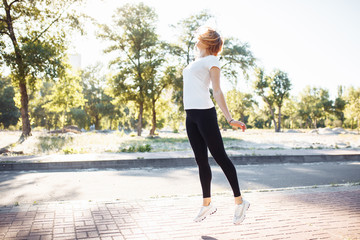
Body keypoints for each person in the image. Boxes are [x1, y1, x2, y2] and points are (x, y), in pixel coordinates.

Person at [183, 26, 250, 225]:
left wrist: (229, 119)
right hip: (191, 115)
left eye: (200, 37)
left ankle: (240, 201)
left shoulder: (212, 61)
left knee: (220, 157)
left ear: (207, 41)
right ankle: (207, 204)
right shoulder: (196, 62)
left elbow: (217, 91)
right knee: (201, 161)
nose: (197, 39)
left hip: (205, 114)